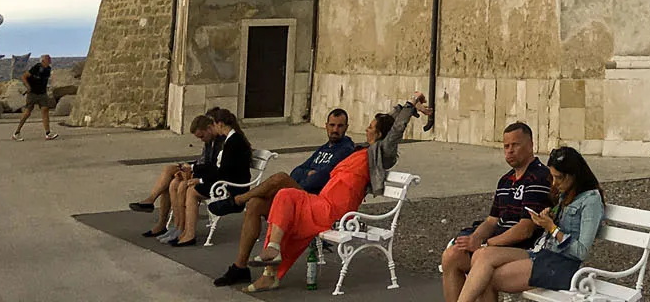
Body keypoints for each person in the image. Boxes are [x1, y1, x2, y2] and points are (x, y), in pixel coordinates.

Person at [213, 96, 427, 288]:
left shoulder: (379, 155)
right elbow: (388, 121)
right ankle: (272, 254)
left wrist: (410, 106)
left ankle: (270, 263)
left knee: (285, 194)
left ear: (378, 134)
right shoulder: (362, 149)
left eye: (371, 127)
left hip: (336, 210)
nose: (367, 129)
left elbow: (394, 131)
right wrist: (403, 106)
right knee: (283, 196)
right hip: (321, 201)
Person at [457, 145, 604, 301]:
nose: (554, 183)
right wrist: (548, 218)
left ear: (573, 175)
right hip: (542, 253)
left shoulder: (591, 201)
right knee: (482, 254)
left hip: (562, 265)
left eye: (558, 177)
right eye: (552, 177)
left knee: (486, 277)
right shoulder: (567, 194)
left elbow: (581, 251)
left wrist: (552, 228)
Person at [439, 121, 551, 302]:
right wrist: (475, 238)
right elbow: (492, 221)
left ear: (531, 145)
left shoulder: (538, 178)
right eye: (506, 146)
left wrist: (486, 244)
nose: (510, 150)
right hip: (496, 246)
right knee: (451, 255)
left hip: (522, 249)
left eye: (515, 145)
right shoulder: (505, 180)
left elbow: (525, 229)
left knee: (481, 261)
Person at [163, 108, 252, 246]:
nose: (215, 128)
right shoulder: (231, 140)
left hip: (232, 186)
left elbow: (224, 171)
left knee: (192, 191)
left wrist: (201, 180)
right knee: (188, 187)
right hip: (226, 180)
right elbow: (221, 168)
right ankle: (184, 230)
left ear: (220, 124)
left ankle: (189, 233)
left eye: (215, 125)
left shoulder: (233, 142)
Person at [133, 114, 216, 236]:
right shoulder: (210, 142)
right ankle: (164, 222)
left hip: (206, 176)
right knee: (170, 179)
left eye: (202, 136)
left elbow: (211, 166)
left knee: (171, 173)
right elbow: (203, 162)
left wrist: (191, 167)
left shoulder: (219, 142)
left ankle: (153, 203)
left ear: (209, 128)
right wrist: (189, 166)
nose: (202, 140)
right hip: (201, 170)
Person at [12, 53, 57, 140]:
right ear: (43, 60)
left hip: (42, 93)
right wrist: (28, 86)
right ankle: (17, 132)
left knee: (45, 110)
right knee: (27, 112)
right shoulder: (37, 67)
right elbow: (24, 76)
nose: (50, 60)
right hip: (32, 93)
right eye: (48, 58)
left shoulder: (48, 69)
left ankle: (48, 133)